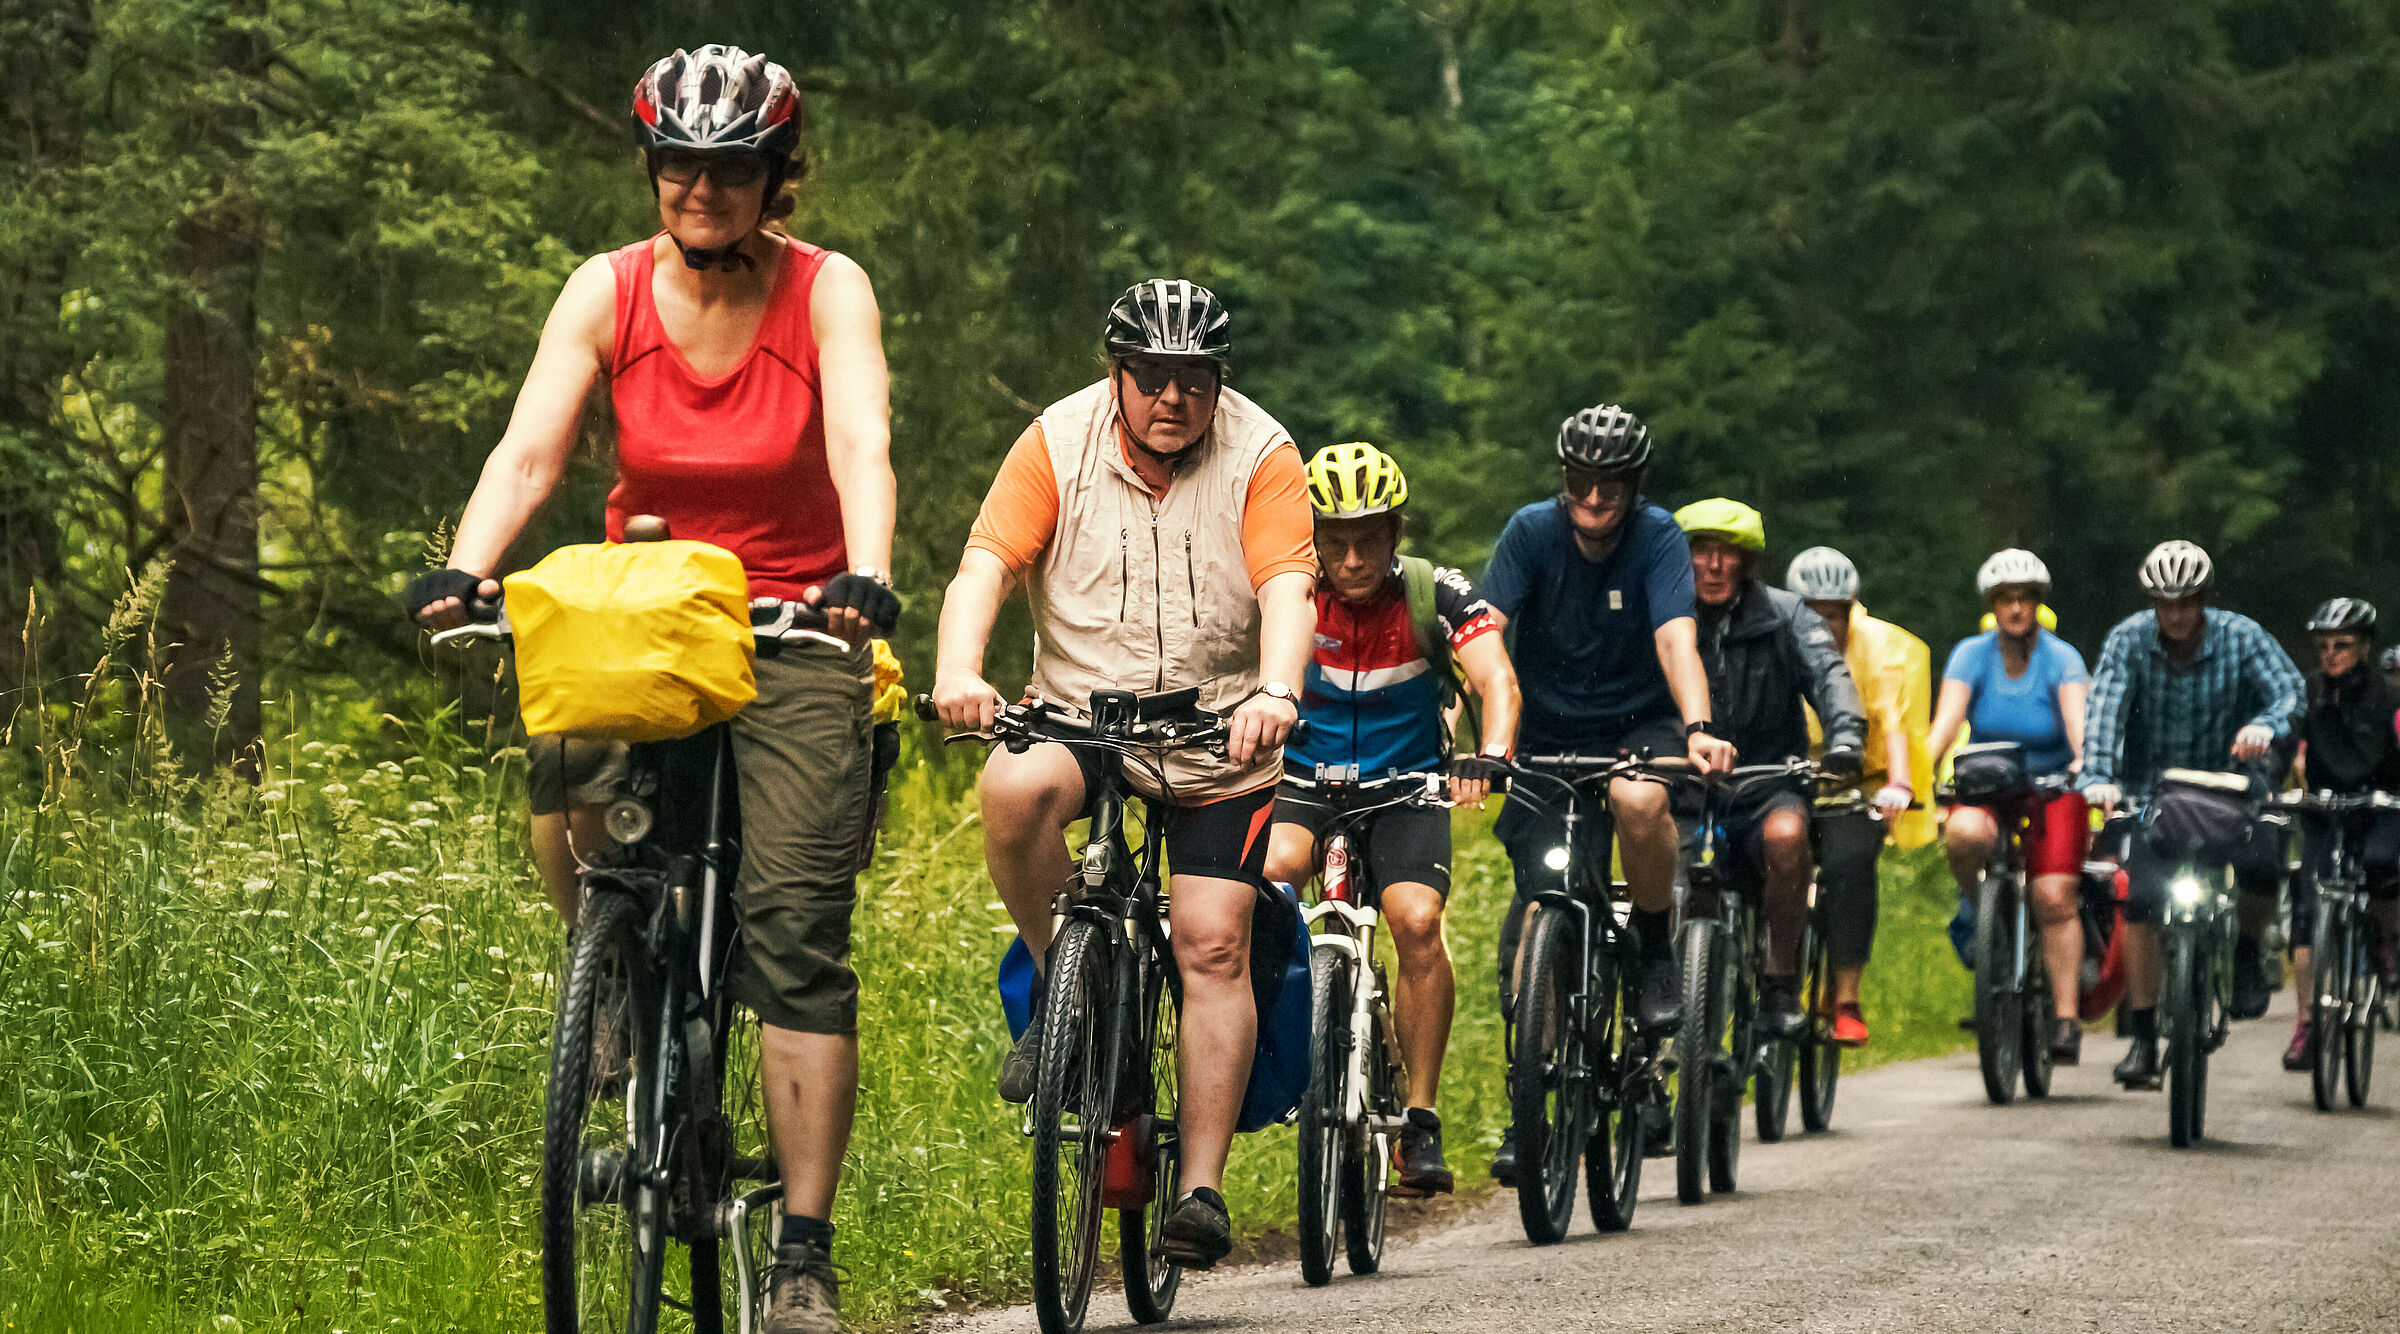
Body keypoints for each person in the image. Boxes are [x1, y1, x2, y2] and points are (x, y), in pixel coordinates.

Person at [404, 45, 898, 1333]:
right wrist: (468, 566)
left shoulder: (827, 291)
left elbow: (860, 442)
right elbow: (529, 449)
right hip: (648, 608)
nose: (700, 189)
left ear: (774, 177)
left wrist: (868, 573)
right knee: (564, 794)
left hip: (792, 623)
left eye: (729, 168)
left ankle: (801, 1248)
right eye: (679, 164)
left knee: (793, 930)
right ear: (654, 169)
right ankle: (616, 974)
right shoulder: (606, 288)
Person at [930, 279, 1314, 1268]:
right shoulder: (1056, 441)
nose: (1172, 397)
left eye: (1194, 378)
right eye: (1152, 376)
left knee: (1212, 939)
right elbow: (987, 563)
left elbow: (1287, 587)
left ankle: (1200, 1187)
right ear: (1119, 373)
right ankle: (1071, 988)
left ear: (1217, 382)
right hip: (1081, 710)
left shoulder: (1263, 454)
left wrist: (1276, 687)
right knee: (1013, 793)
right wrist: (958, 670)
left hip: (1218, 730)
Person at [1479, 405, 1737, 1184]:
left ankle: (1654, 943)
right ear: (1564, 482)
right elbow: (1483, 632)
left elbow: (1674, 638)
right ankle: (1532, 1103)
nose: (1595, 500)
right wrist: (1469, 721)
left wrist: (1697, 724)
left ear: (1633, 487)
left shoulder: (1656, 536)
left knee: (1639, 803)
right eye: (1581, 483)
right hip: (1547, 734)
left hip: (1640, 725)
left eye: (1611, 486)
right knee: (1540, 909)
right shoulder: (1530, 532)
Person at [1262, 442, 1520, 1198]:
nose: (1350, 557)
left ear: (1395, 531)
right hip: (1306, 779)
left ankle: (1420, 1116)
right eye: (1334, 539)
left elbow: (1495, 677)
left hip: (1406, 787)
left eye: (1368, 536)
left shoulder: (1434, 595)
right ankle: (1283, 1049)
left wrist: (1493, 753)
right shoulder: (1289, 592)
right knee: (1273, 876)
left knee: (1413, 919)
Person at [2081, 540, 2305, 1089]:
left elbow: (2291, 693)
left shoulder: (2242, 635)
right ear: (2153, 602)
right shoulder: (2128, 639)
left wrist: (2268, 725)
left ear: (2204, 599)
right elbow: (2104, 711)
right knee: (2140, 902)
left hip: (2228, 786)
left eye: (2187, 602)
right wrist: (2099, 776)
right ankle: (2140, 1037)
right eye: (2166, 603)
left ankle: (2250, 951)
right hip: (2153, 792)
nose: (2177, 615)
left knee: (2262, 856)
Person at [1674, 503, 1867, 1039]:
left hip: (1768, 781)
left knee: (1787, 840)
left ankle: (1780, 985)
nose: (1713, 565)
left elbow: (1830, 678)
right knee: (1663, 871)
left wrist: (1846, 738)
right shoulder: (1665, 617)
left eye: (1727, 553)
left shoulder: (1788, 615)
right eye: (1701, 551)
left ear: (1748, 562)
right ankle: (1671, 994)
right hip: (1685, 783)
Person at [1925, 550, 2092, 1064]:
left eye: (2023, 598)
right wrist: (1915, 780)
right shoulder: (1970, 655)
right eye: (2005, 598)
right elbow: (1946, 725)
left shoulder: (2062, 659)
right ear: (1993, 606)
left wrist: (2088, 766)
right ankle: (1980, 915)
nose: (2015, 607)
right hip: (1990, 783)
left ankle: (2065, 1018)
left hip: (2052, 785)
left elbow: (2078, 730)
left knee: (2054, 894)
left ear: (2037, 604)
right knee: (1964, 834)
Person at [1786, 546, 1935, 1047]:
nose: (1828, 624)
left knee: (1850, 868)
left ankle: (1845, 999)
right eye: (1816, 613)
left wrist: (1898, 784)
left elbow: (1892, 723)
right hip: (1788, 777)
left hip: (1855, 782)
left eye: (1837, 613)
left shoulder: (1875, 654)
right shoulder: (1776, 642)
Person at [2276, 598, 2400, 1070]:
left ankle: (2386, 942)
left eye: (2343, 645)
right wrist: (2266, 778)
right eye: (2324, 645)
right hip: (2325, 811)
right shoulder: (2306, 692)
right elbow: (2285, 741)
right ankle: (2307, 1025)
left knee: (2384, 866)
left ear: (2364, 647)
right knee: (2306, 911)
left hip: (2379, 807)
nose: (2331, 654)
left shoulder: (2389, 696)